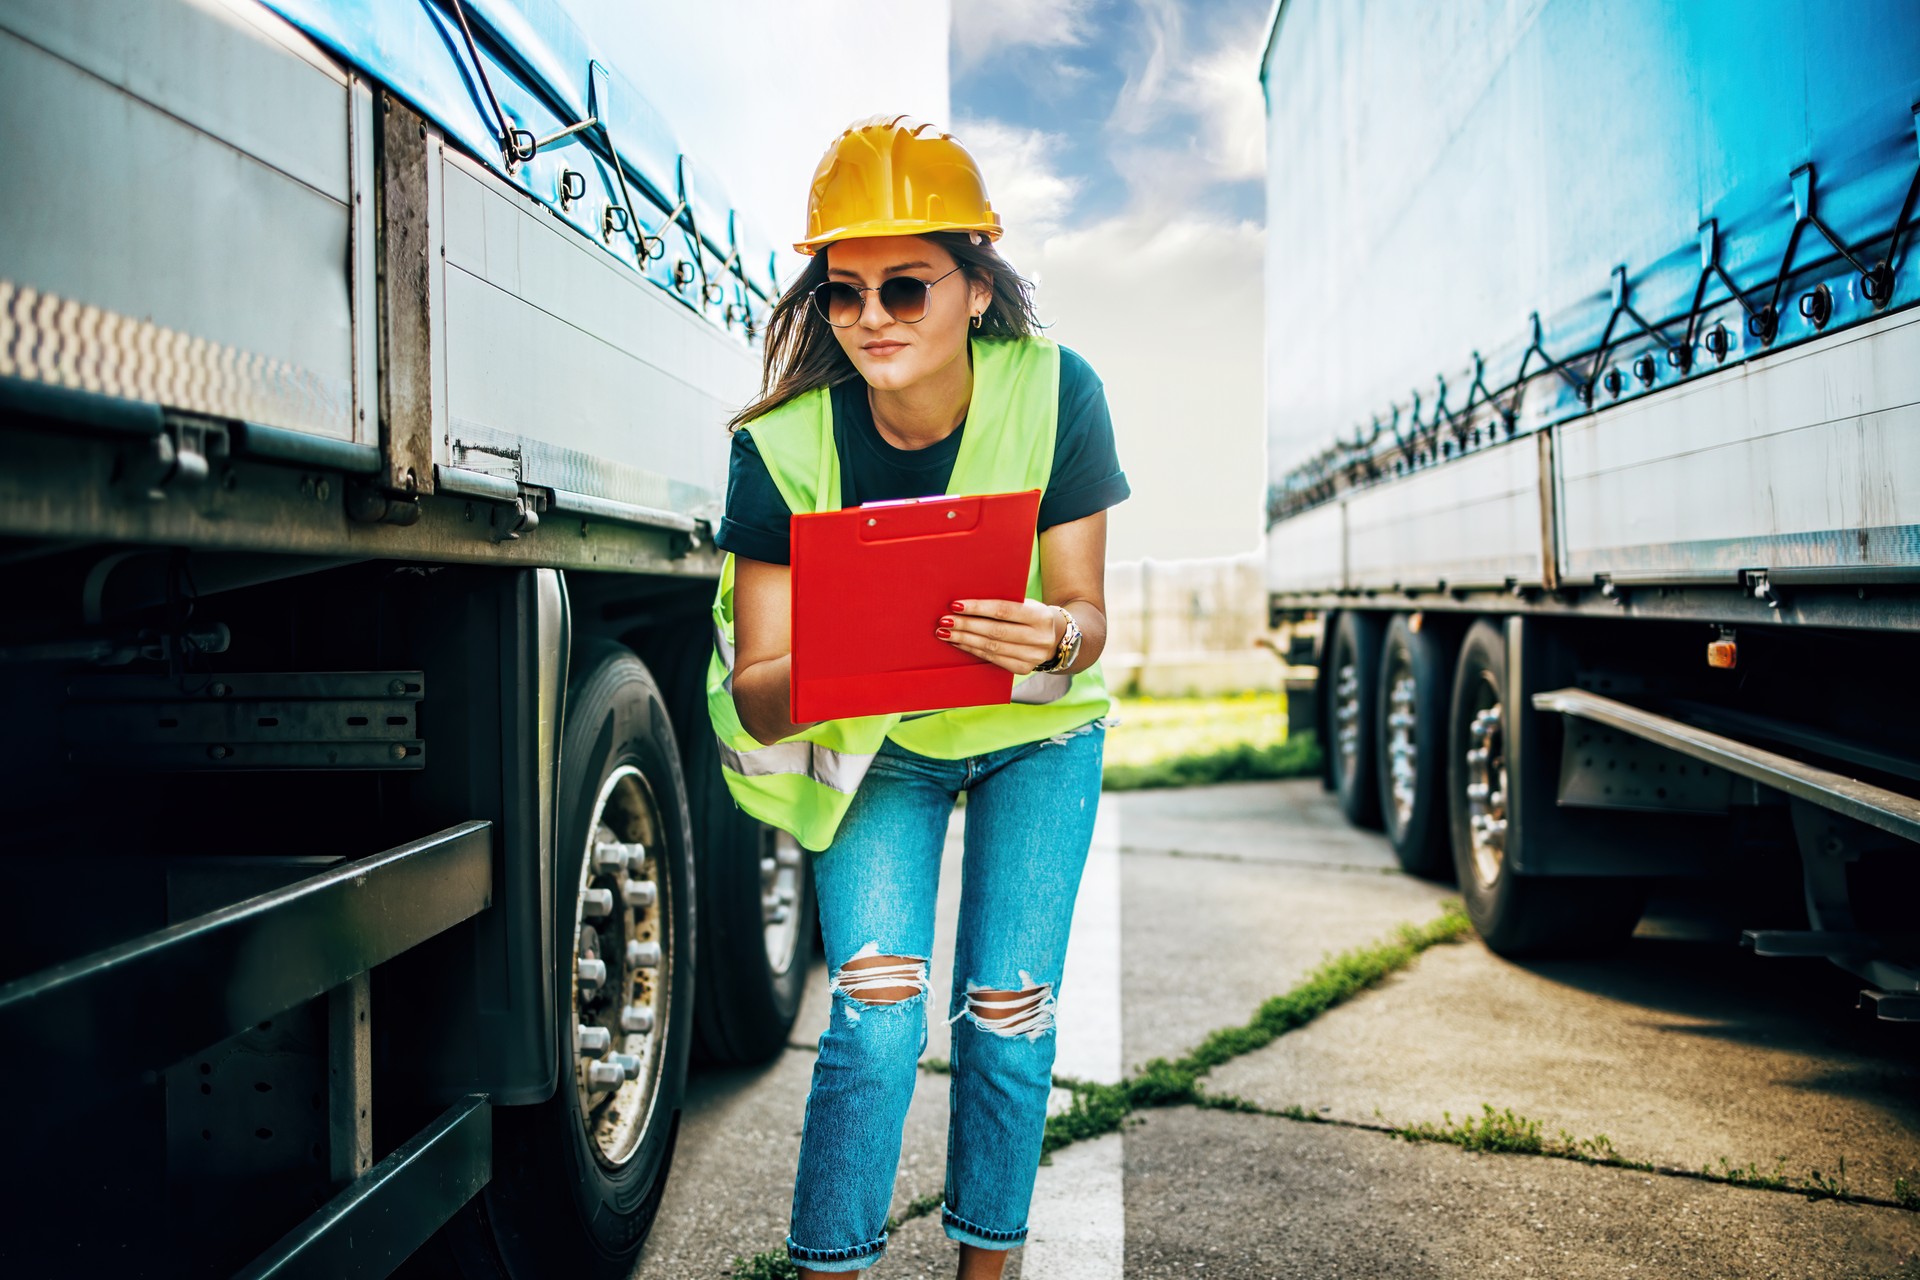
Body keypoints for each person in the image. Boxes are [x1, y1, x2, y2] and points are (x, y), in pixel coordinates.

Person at [704, 114, 1130, 1279]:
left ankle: (986, 1268)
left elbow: (1088, 620)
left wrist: (1056, 635)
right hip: (873, 746)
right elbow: (757, 698)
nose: (873, 318)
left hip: (1033, 740)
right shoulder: (782, 449)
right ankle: (831, 1263)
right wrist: (859, 645)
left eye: (906, 286)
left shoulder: (1057, 392)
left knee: (1008, 1011)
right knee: (879, 1015)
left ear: (977, 288)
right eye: (843, 294)